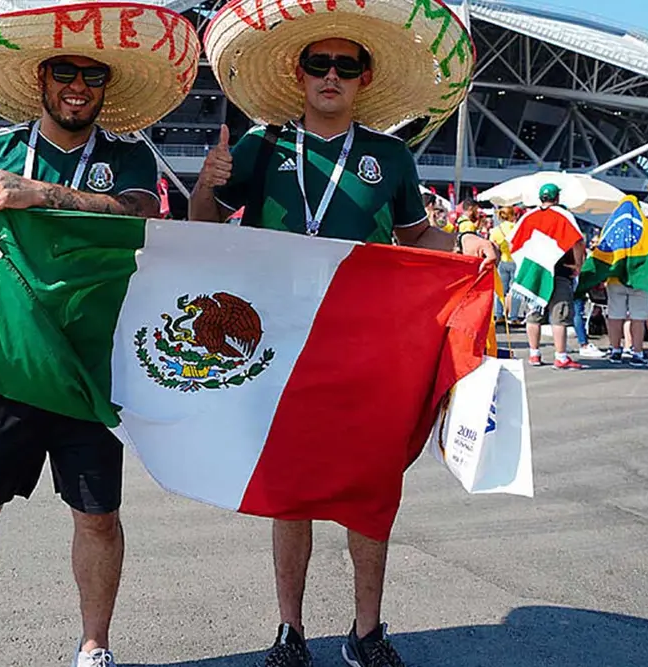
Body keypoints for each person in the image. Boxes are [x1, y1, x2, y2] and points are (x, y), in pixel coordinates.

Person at [192, 3, 486, 666]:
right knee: (289, 493)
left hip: (366, 347)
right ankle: (289, 629)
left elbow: (416, 237)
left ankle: (366, 630)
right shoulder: (261, 145)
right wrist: (207, 190)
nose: (330, 75)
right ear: (298, 74)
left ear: (362, 79)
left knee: (369, 488)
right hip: (278, 346)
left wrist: (465, 237)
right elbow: (204, 226)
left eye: (344, 66)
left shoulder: (387, 155)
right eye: (318, 64)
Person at [0, 4, 188, 666]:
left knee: (97, 516)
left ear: (105, 86)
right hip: (0, 370)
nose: (77, 86)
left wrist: (39, 193)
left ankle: (94, 645)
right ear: (41, 78)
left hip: (89, 369)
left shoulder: (126, 156)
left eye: (91, 75)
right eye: (64, 72)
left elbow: (138, 213)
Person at [521, 184, 586, 369]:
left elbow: (516, 242)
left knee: (533, 314)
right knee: (559, 315)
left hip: (534, 272)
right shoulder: (563, 216)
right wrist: (578, 265)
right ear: (557, 198)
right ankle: (561, 356)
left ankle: (534, 354)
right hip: (560, 270)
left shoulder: (529, 216)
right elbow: (578, 241)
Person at [489, 206, 523, 325]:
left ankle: (499, 315)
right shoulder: (517, 228)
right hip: (516, 261)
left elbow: (494, 247)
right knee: (516, 291)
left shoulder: (495, 230)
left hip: (503, 261)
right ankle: (513, 317)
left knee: (500, 291)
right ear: (513, 215)